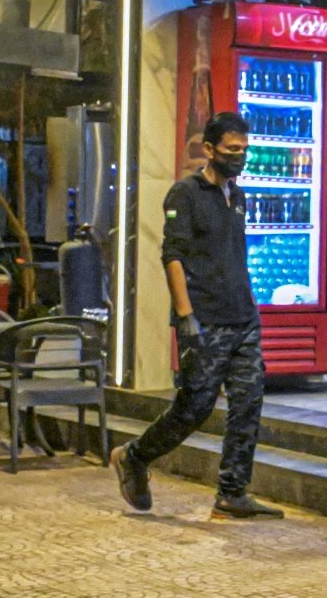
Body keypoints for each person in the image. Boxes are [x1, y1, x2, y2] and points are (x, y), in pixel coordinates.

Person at [110, 112, 282, 520]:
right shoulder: (185, 194)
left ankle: (232, 492)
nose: (239, 157)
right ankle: (134, 457)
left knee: (249, 400)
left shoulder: (237, 196)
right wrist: (185, 316)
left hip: (243, 317)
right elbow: (172, 255)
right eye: (231, 150)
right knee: (194, 408)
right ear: (209, 149)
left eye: (244, 150)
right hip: (204, 320)